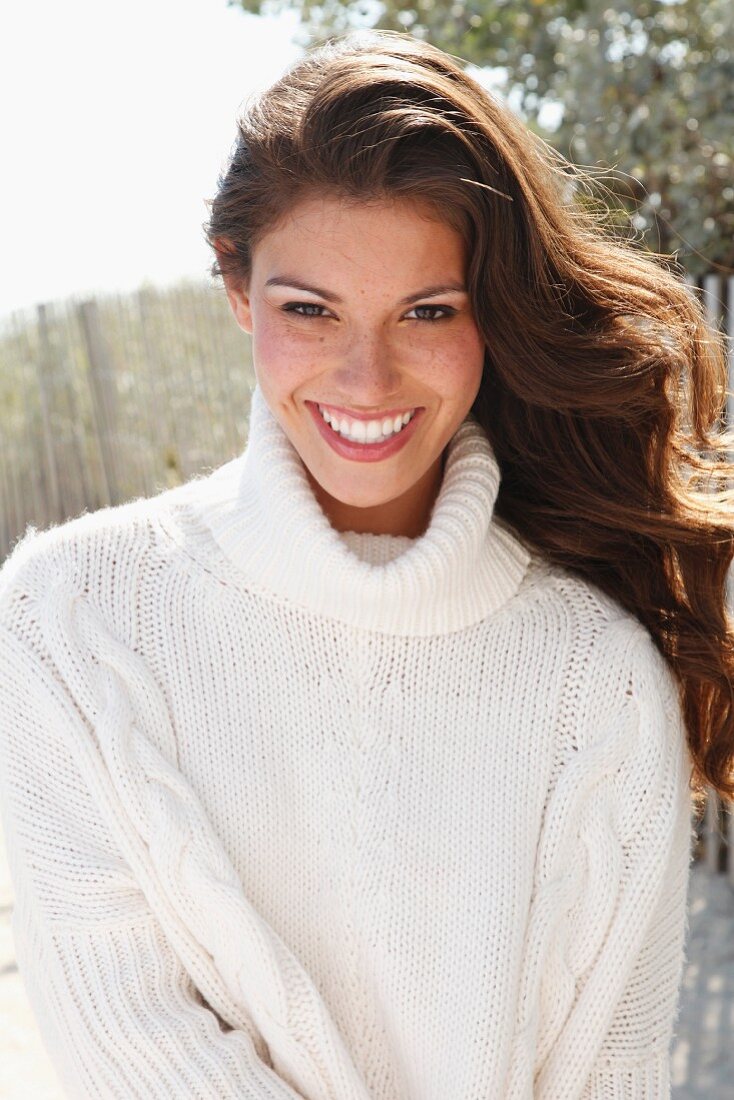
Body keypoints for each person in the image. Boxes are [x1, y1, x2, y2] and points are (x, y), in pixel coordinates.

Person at [0, 27, 732, 1100]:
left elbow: (611, 1075)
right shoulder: (69, 618)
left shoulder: (595, 676)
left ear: (492, 317)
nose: (365, 373)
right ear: (237, 292)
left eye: (426, 310)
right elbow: (127, 1040)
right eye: (309, 309)